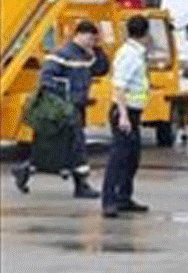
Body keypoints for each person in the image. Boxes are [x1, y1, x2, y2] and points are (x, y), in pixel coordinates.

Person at [12, 20, 108, 198]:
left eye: (94, 39)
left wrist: (99, 49)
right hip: (64, 108)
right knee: (76, 144)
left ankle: (25, 170)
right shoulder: (61, 54)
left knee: (58, 148)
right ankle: (81, 186)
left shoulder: (87, 56)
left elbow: (102, 69)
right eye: (89, 38)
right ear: (78, 34)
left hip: (76, 106)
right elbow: (46, 79)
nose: (91, 42)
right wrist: (61, 102)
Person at [101, 15, 152, 218]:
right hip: (125, 112)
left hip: (134, 111)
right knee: (119, 158)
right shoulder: (129, 55)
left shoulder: (136, 53)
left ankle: (124, 197)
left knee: (132, 157)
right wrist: (123, 116)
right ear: (146, 34)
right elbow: (119, 87)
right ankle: (109, 201)